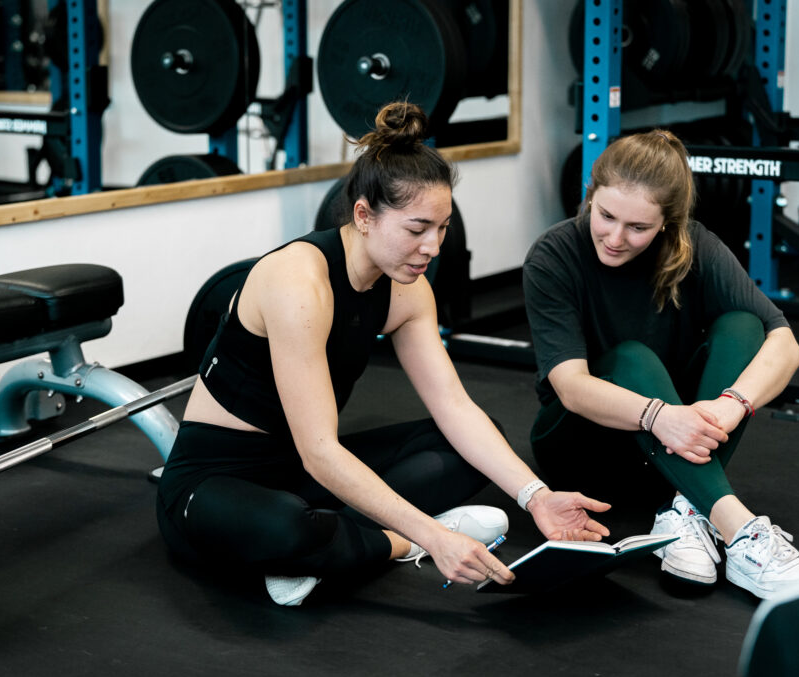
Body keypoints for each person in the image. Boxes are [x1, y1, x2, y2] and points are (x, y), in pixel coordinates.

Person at [157, 101, 611, 606]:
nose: (432, 246)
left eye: (441, 229)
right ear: (364, 215)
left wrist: (536, 497)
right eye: (417, 229)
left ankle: (338, 543)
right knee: (284, 528)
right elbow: (321, 451)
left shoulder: (406, 289)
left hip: (303, 475)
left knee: (472, 443)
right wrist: (433, 538)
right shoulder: (299, 282)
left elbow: (455, 408)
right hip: (216, 480)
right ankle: (400, 541)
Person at [522, 129, 799, 599]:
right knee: (632, 357)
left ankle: (685, 510)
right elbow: (570, 387)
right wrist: (661, 416)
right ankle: (739, 528)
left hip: (672, 449)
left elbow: (785, 345)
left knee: (745, 325)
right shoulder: (553, 255)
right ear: (590, 193)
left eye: (638, 228)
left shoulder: (695, 246)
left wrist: (732, 406)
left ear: (668, 223)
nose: (615, 237)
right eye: (605, 216)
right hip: (582, 446)